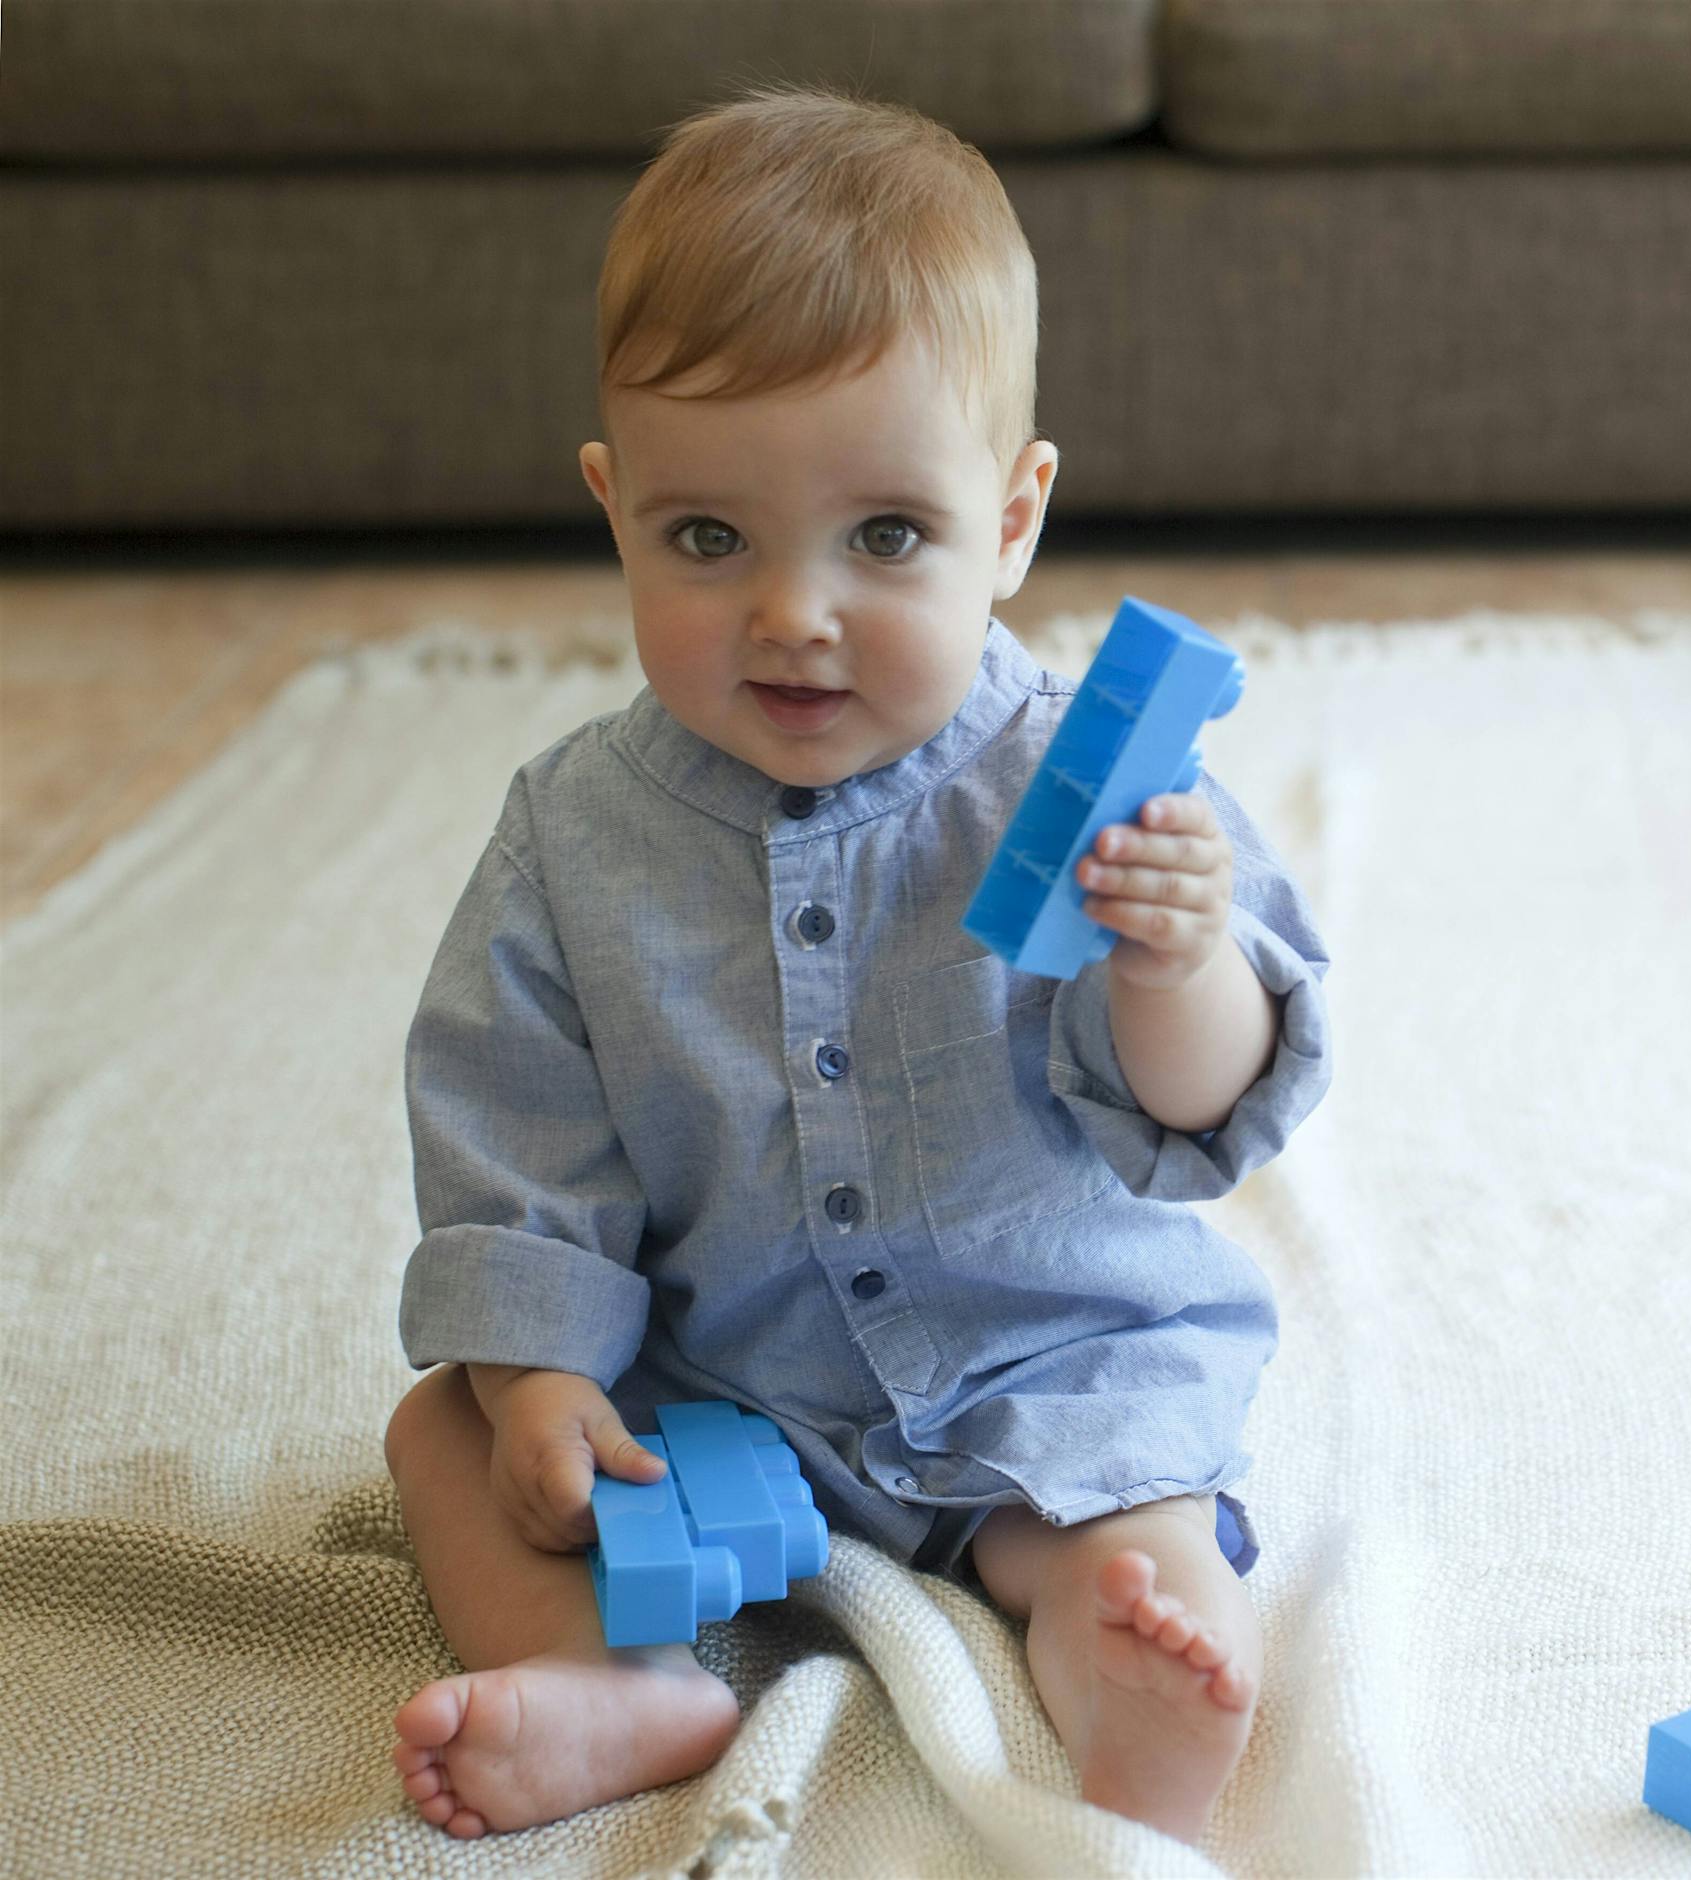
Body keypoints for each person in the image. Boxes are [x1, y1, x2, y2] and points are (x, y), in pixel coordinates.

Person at [383, 79, 1331, 1849]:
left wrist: (1175, 959)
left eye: (886, 536)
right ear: (615, 508)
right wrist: (541, 1379)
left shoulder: (1094, 788)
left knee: (1127, 1523)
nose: (792, 613)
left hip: (1041, 1356)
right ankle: (626, 1690)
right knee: (445, 1438)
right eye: (707, 538)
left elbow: (1200, 1109)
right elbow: (517, 1135)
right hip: (722, 1379)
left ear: (1017, 517)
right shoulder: (571, 832)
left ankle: (1129, 1684)